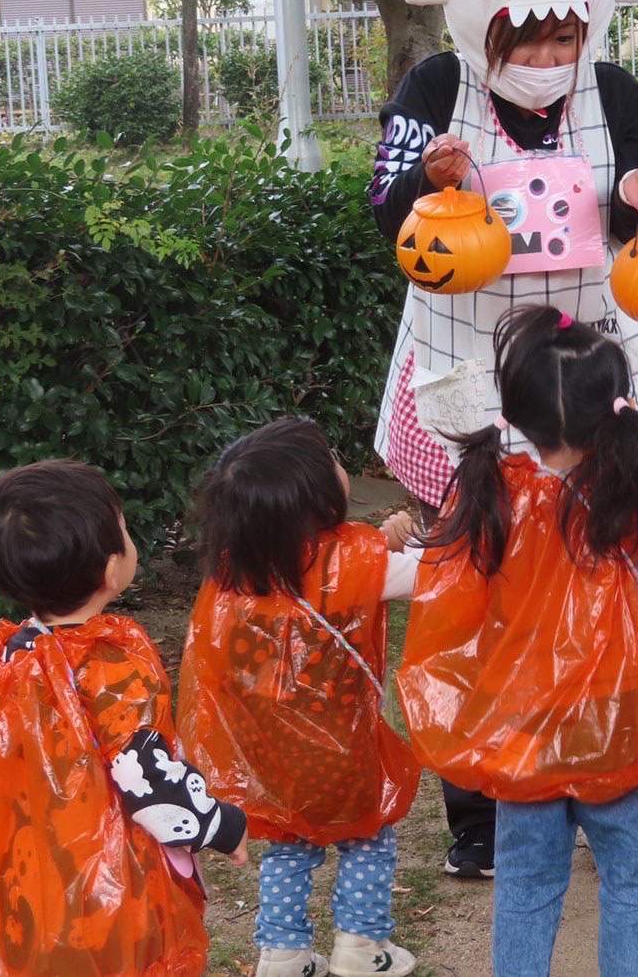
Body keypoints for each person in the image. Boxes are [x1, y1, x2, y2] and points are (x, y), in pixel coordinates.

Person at [369, 0, 638, 878]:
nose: (548, 53)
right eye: (528, 34)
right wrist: (421, 185)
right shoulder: (434, 86)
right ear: (481, 19)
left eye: (566, 32)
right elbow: (386, 212)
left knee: (609, 572)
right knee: (474, 585)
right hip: (464, 367)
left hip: (590, 366)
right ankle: (480, 808)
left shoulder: (615, 93)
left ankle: (598, 770)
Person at [397, 306, 638, 977]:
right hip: (617, 720)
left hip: (525, 723)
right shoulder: (635, 502)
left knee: (527, 884)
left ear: (515, 415)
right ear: (616, 408)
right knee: (631, 879)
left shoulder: (491, 498)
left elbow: (451, 594)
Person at [0, 460, 248, 976]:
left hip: (28, 880)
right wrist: (221, 824)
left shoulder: (2, 659)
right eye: (125, 529)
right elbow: (148, 779)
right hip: (110, 887)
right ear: (112, 569)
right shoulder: (110, 664)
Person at [178, 417, 423, 977]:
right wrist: (408, 536)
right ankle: (361, 948)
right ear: (316, 496)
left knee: (288, 846)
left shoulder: (230, 577)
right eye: (332, 458)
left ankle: (283, 954)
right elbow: (432, 573)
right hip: (347, 752)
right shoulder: (363, 565)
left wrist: (374, 538)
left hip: (271, 756)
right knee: (368, 835)